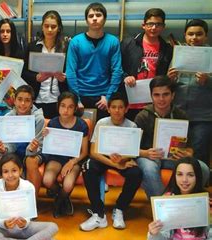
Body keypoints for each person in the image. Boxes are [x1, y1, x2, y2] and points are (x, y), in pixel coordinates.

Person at [135, 75, 210, 198]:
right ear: (151, 96)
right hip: (150, 158)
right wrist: (146, 153)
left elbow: (190, 147)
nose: (161, 99)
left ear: (173, 95)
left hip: (174, 158)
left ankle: (186, 200)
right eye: (157, 95)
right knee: (149, 168)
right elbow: (133, 149)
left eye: (166, 94)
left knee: (203, 169)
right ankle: (163, 205)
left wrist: (187, 154)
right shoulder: (142, 116)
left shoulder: (181, 115)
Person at [80, 92, 143, 231]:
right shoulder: (102, 123)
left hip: (123, 159)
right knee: (87, 167)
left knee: (136, 173)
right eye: (113, 107)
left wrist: (123, 160)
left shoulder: (132, 126)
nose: (117, 110)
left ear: (126, 109)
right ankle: (98, 213)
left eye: (121, 107)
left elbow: (132, 151)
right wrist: (115, 164)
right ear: (108, 109)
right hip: (103, 158)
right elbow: (94, 152)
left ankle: (120, 209)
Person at [0, 153, 59, 240]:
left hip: (23, 228)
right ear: (1, 174)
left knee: (53, 227)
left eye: (14, 170)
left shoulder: (28, 187)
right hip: (2, 229)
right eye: (6, 172)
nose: (10, 175)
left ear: (20, 170)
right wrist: (5, 224)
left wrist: (24, 223)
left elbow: (29, 214)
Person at [146, 157, 212, 240]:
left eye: (190, 175)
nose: (184, 180)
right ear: (174, 176)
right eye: (180, 174)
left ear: (197, 177)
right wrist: (154, 234)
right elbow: (164, 239)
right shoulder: (167, 199)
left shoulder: (206, 202)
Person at [65, 2, 123, 120]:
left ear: (105, 19)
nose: (95, 19)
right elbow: (70, 72)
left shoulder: (113, 42)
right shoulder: (76, 42)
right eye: (91, 16)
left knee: (101, 134)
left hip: (103, 98)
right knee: (82, 135)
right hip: (80, 96)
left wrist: (108, 97)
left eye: (98, 15)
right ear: (86, 20)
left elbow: (117, 71)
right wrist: (76, 99)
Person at [169, 19, 212, 169]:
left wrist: (208, 81)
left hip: (203, 116)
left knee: (199, 153)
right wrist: (170, 80)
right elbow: (169, 87)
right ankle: (180, 186)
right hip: (179, 114)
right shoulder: (178, 55)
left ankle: (200, 188)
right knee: (177, 153)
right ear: (185, 36)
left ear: (206, 36)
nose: (194, 38)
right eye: (190, 34)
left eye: (199, 34)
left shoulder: (210, 55)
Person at [42, 92, 89, 217]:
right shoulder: (52, 123)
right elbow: (47, 148)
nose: (66, 110)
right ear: (58, 106)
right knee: (47, 180)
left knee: (68, 185)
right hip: (56, 158)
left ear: (75, 108)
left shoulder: (81, 124)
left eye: (70, 107)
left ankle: (59, 201)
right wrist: (45, 136)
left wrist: (72, 162)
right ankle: (62, 196)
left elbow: (85, 152)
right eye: (63, 106)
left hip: (74, 159)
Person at [121, 8, 173, 121]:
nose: (154, 28)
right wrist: (125, 76)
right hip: (130, 99)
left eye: (158, 24)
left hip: (155, 101)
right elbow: (116, 66)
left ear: (163, 26)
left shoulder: (167, 49)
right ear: (143, 25)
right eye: (150, 24)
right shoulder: (129, 43)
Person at [0, 85, 45, 197]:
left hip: (35, 153)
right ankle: (5, 200)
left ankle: (31, 204)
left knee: (30, 161)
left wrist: (32, 149)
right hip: (14, 152)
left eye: (27, 100)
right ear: (14, 100)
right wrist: (3, 150)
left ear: (32, 103)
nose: (23, 104)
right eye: (20, 99)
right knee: (2, 159)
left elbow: (40, 145)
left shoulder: (38, 119)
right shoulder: (8, 117)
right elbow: (7, 145)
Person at [23, 10, 69, 119]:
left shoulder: (66, 47)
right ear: (42, 27)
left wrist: (64, 78)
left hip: (59, 100)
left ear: (59, 28)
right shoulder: (32, 47)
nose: (49, 30)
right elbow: (23, 72)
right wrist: (36, 77)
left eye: (53, 26)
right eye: (46, 26)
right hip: (37, 98)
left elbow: (72, 72)